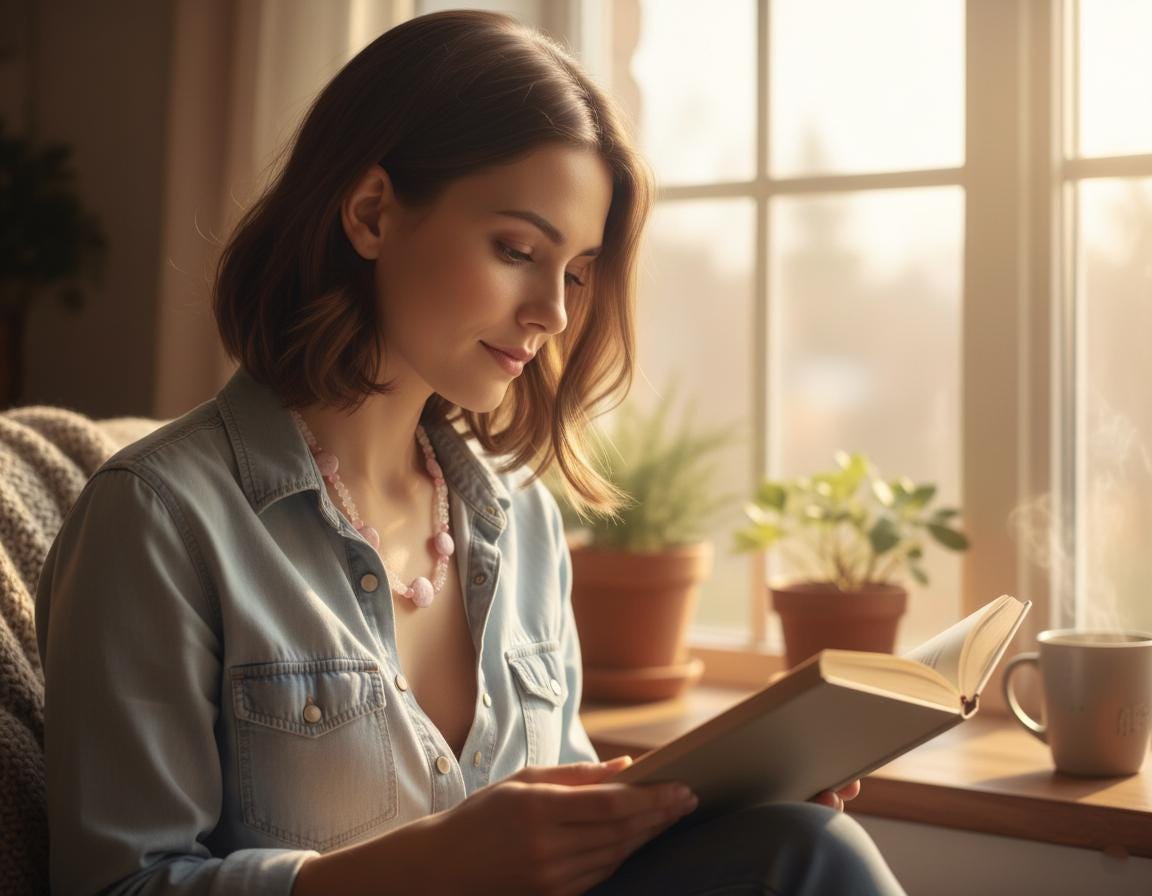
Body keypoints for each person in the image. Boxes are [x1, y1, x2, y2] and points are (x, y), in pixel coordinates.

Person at [34, 10, 906, 895]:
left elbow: (571, 847)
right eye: (517, 250)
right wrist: (418, 870)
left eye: (574, 271)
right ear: (372, 213)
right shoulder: (156, 518)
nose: (555, 314)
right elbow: (119, 885)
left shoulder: (519, 519)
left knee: (805, 847)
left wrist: (722, 814)